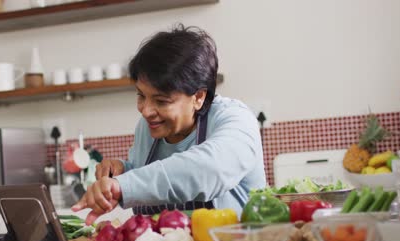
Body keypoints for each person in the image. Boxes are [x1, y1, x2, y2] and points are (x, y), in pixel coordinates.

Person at [72, 24, 266, 225]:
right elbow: (151, 177)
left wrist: (124, 185)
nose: (146, 111)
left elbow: (208, 169)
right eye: (141, 95)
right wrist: (122, 170)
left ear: (198, 96)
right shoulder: (149, 127)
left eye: (161, 101)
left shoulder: (235, 119)